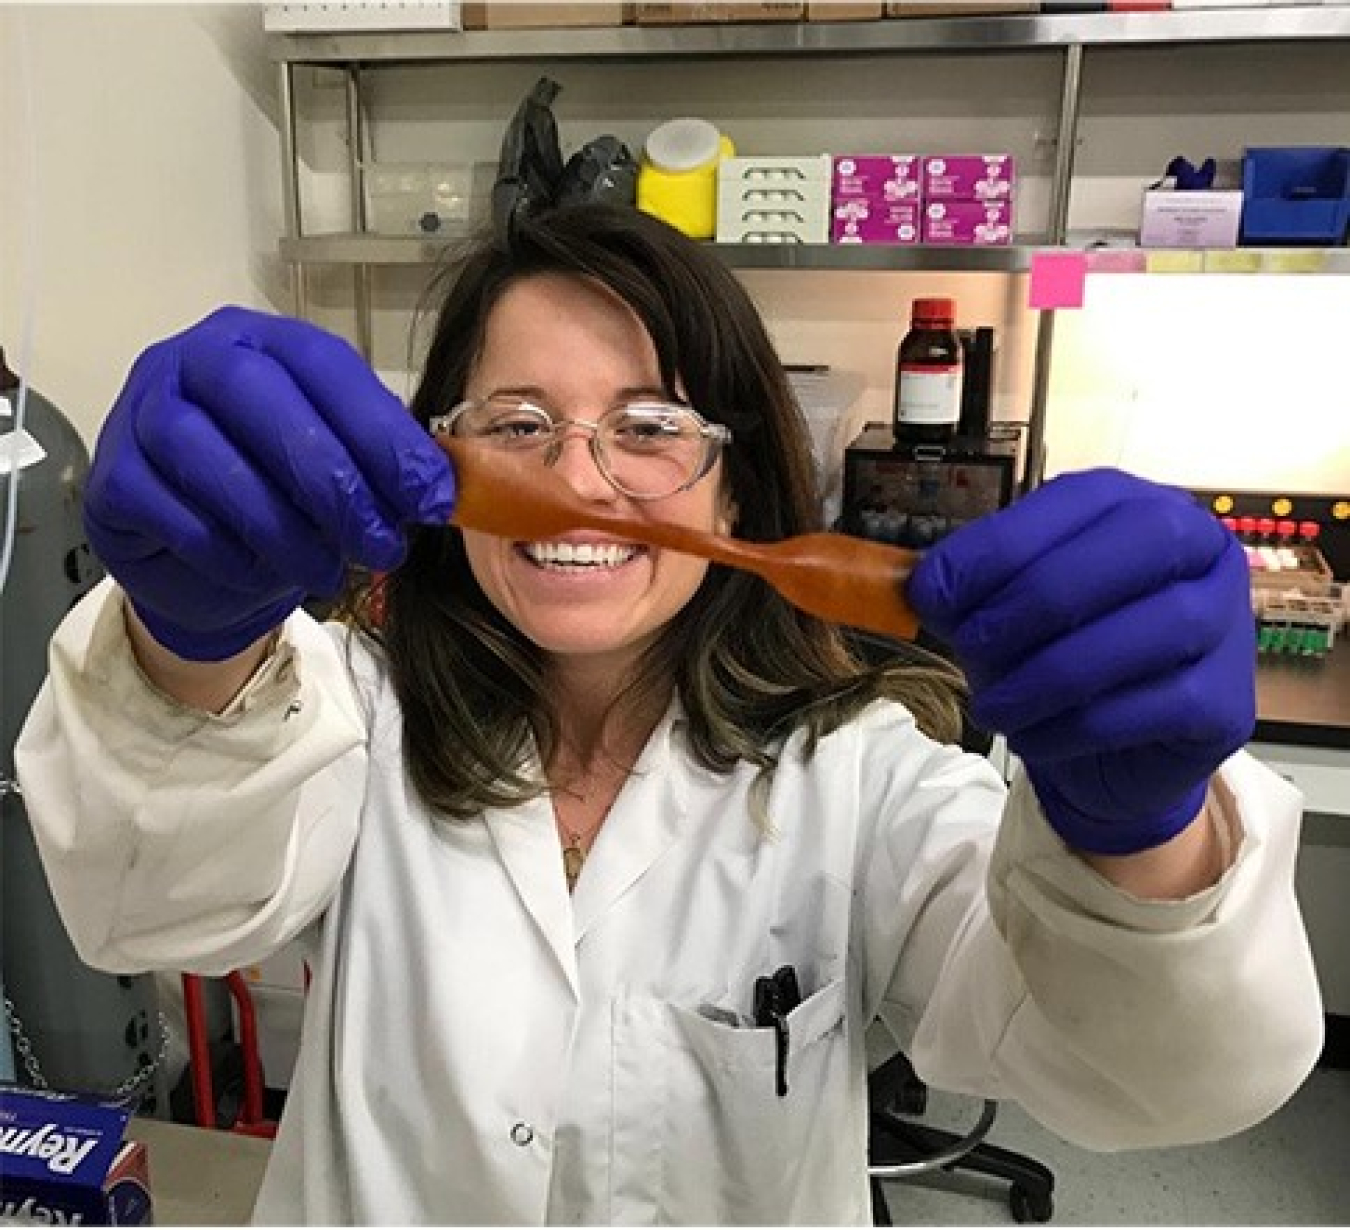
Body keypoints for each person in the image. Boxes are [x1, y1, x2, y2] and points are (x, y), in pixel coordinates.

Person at [16, 203, 1321, 1225]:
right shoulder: (346, 707)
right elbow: (151, 910)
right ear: (433, 476)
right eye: (515, 422)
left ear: (736, 489)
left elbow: (1141, 1078)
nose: (579, 475)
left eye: (646, 426)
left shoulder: (860, 771)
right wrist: (190, 644)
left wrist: (1141, 835)